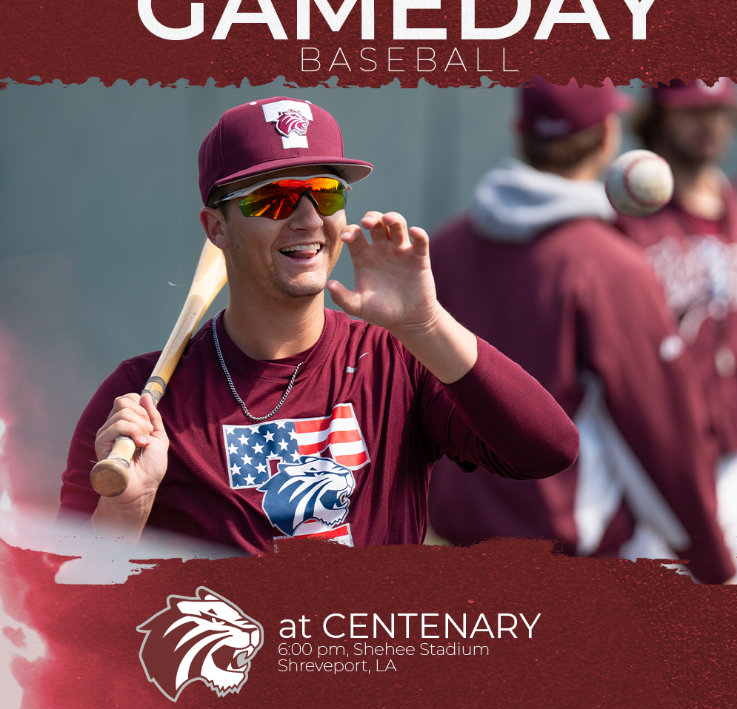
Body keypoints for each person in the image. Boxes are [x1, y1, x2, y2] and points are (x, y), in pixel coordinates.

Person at [57, 96, 579, 550]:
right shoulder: (142, 404)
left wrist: (425, 325)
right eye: (274, 197)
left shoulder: (397, 360)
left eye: (326, 193)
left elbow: (547, 450)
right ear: (216, 227)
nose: (307, 219)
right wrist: (125, 514)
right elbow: (61, 607)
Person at [426, 78, 737, 584]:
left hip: (455, 557)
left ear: (519, 131)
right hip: (568, 570)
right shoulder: (610, 264)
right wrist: (712, 561)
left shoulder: (443, 249)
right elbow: (659, 431)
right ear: (609, 136)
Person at [617, 79, 737, 573]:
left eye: (718, 111)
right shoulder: (623, 230)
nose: (708, 124)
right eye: (692, 110)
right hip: (654, 475)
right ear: (657, 116)